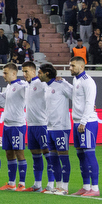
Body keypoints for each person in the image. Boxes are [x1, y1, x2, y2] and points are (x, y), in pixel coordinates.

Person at [40, 63, 74, 195]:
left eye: (40, 73)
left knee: (63, 156)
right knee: (53, 158)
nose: (38, 75)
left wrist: (64, 81)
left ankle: (65, 187)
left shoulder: (61, 85)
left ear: (46, 74)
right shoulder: (46, 86)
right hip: (50, 127)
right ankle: (58, 186)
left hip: (61, 127)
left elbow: (75, 95)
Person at [70, 56, 101, 196]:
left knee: (89, 154)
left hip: (87, 123)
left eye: (73, 66)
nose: (70, 68)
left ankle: (95, 188)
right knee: (81, 155)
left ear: (81, 67)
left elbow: (89, 102)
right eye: (70, 65)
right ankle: (86, 186)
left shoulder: (88, 82)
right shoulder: (76, 80)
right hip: (77, 122)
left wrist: (83, 121)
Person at [0, 62, 30, 191]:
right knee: (9, 153)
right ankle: (11, 183)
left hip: (17, 125)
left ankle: (22, 184)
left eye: (5, 73)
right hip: (7, 125)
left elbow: (29, 94)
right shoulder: (9, 86)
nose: (3, 75)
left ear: (13, 73)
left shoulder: (22, 86)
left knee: (19, 153)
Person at [24, 59, 49, 192]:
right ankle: (37, 184)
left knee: (48, 154)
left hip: (42, 124)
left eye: (26, 71)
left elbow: (52, 90)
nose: (24, 74)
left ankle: (51, 184)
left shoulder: (41, 83)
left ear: (34, 71)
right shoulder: (26, 85)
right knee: (35, 156)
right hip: (31, 125)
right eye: (23, 72)